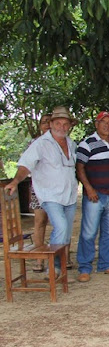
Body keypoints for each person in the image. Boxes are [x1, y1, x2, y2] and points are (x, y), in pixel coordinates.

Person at [4, 106, 78, 275]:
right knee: (60, 227)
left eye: (65, 124)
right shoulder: (40, 144)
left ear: (69, 126)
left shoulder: (71, 144)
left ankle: (59, 268)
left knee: (65, 232)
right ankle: (54, 268)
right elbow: (25, 165)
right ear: (51, 124)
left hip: (70, 195)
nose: (62, 127)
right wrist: (15, 181)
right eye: (58, 123)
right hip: (50, 195)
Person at [75, 111, 109, 282]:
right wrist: (88, 188)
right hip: (94, 195)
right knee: (89, 233)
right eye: (103, 122)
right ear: (96, 125)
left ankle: (106, 264)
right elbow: (80, 168)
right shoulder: (87, 143)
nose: (107, 125)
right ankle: (85, 267)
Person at [27, 113, 52, 272]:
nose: (47, 125)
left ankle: (63, 257)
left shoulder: (62, 143)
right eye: (44, 122)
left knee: (61, 224)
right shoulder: (34, 143)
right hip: (39, 189)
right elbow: (28, 165)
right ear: (40, 126)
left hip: (58, 190)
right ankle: (39, 259)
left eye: (50, 122)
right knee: (40, 222)